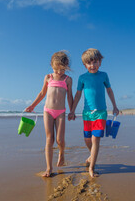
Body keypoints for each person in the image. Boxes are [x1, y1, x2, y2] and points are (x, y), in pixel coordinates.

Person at [68, 48, 119, 178]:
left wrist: (115, 106)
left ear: (100, 62)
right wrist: (72, 110)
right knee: (87, 139)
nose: (92, 65)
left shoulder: (104, 75)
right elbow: (78, 94)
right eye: (89, 63)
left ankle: (92, 167)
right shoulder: (82, 78)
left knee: (95, 139)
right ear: (85, 65)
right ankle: (92, 155)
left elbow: (109, 91)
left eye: (95, 62)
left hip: (101, 113)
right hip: (87, 113)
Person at [25, 51, 73, 177]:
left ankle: (61, 153)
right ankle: (49, 167)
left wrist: (72, 111)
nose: (59, 72)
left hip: (61, 112)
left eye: (62, 69)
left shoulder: (68, 80)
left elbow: (70, 97)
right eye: (56, 69)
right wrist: (32, 105)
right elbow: (42, 94)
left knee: (60, 139)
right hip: (48, 111)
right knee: (49, 139)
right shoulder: (48, 77)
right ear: (52, 65)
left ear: (66, 67)